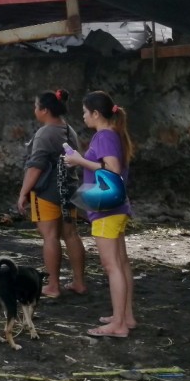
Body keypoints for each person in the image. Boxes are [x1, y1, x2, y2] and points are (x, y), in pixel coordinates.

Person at [64, 90, 136, 338]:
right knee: (121, 263)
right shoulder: (112, 135)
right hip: (117, 208)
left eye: (85, 112)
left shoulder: (104, 136)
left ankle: (118, 325)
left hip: (107, 209)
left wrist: (79, 161)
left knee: (111, 265)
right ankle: (125, 316)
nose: (83, 117)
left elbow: (111, 169)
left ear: (96, 113)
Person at [17, 89, 87, 298]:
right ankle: (79, 282)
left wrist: (23, 193)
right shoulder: (69, 130)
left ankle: (53, 285)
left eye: (36, 106)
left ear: (45, 110)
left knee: (50, 236)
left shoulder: (44, 134)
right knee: (71, 234)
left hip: (47, 192)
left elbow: (35, 167)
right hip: (69, 189)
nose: (34, 110)